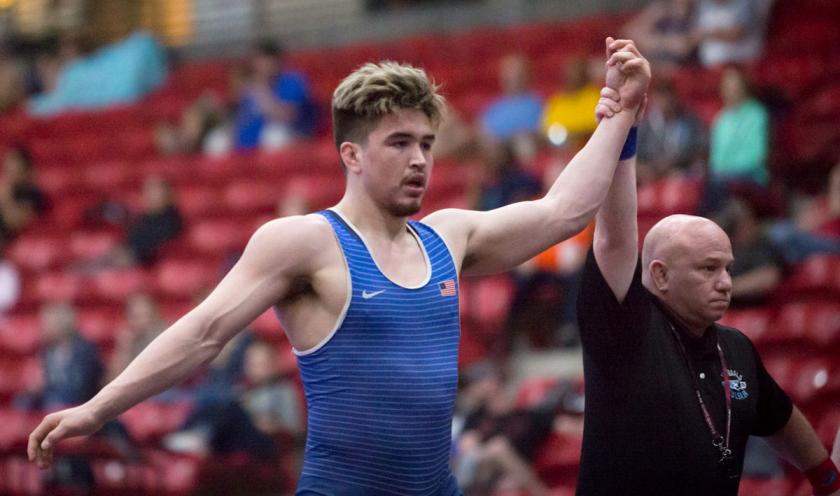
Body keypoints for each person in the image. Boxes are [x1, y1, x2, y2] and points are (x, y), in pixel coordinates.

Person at [28, 40, 651, 495]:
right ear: (351, 154)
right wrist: (97, 410)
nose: (419, 161)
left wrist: (622, 112)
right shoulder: (303, 242)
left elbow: (565, 212)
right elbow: (205, 331)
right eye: (399, 144)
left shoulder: (449, 235)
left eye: (427, 144)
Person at [573, 41, 840, 495]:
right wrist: (624, 125)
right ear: (659, 275)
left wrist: (827, 479)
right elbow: (615, 238)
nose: (726, 283)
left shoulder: (735, 349)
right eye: (708, 269)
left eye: (729, 269)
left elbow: (782, 418)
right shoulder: (626, 327)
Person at [234, 40, 317, 151]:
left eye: (263, 60)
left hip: (291, 135)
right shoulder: (250, 87)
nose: (259, 66)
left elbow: (288, 116)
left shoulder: (293, 81)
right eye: (256, 61)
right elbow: (242, 119)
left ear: (276, 60)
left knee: (274, 136)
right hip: (250, 140)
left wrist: (261, 92)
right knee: (218, 141)